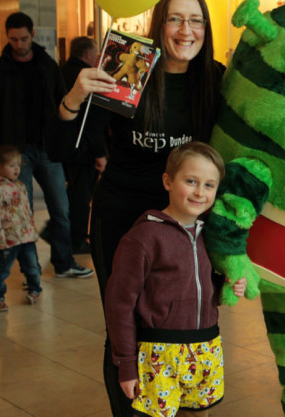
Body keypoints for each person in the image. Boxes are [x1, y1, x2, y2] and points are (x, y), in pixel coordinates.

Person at [53, 0, 225, 416]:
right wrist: (75, 98)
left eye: (196, 20)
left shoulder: (215, 79)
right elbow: (64, 150)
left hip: (187, 223)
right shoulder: (131, 70)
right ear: (158, 24)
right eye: (175, 18)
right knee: (125, 324)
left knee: (183, 323)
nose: (186, 30)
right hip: (124, 221)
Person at [105, 142, 247, 417]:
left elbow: (200, 289)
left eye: (209, 185)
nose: (199, 192)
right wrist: (125, 364)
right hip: (159, 355)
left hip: (205, 349)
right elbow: (119, 305)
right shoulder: (143, 238)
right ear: (168, 181)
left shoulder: (212, 236)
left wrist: (226, 286)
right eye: (191, 181)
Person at [0, 11, 94, 279]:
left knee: (61, 209)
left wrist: (66, 140)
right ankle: (31, 271)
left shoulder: (47, 64)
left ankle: (64, 261)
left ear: (32, 34)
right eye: (13, 39)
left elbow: (62, 103)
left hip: (48, 147)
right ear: (7, 37)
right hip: (16, 151)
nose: (19, 44)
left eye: (23, 38)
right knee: (21, 213)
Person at [60, 36, 106, 254]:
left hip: (65, 146)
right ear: (88, 54)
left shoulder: (61, 71)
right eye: (96, 53)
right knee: (81, 196)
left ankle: (69, 236)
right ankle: (77, 238)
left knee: (71, 196)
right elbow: (91, 122)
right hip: (83, 150)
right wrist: (99, 152)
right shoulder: (86, 78)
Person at [0, 145, 44, 311]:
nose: (17, 169)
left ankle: (35, 289)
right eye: (11, 165)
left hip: (26, 235)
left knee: (32, 266)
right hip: (6, 238)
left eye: (18, 165)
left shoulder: (20, 184)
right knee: (2, 270)